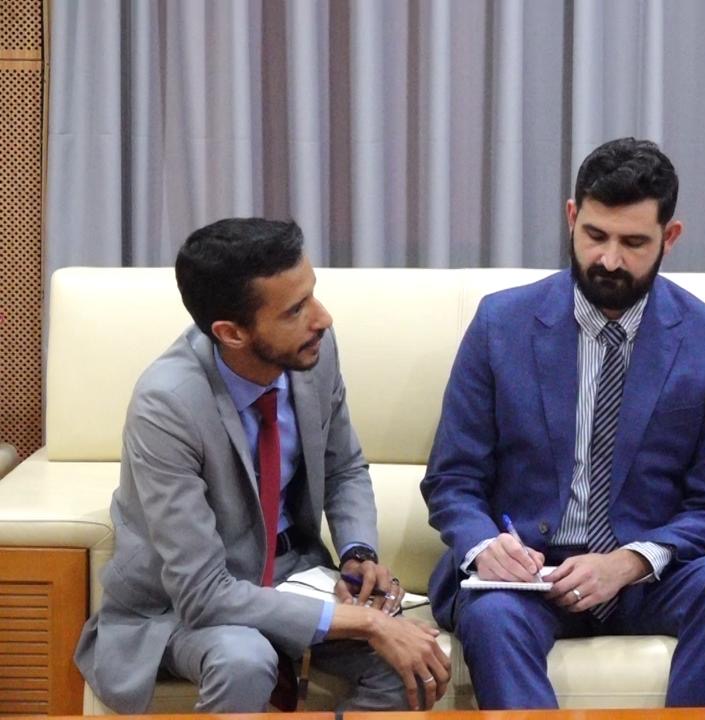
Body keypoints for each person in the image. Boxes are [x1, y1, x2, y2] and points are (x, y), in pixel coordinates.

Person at [422, 137, 705, 709]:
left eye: (633, 243)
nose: (609, 260)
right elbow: (452, 478)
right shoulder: (501, 324)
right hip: (529, 577)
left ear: (669, 237)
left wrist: (626, 563)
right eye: (595, 235)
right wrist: (485, 545)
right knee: (492, 616)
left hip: (645, 576)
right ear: (571, 217)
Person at [75, 218, 450, 712]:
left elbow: (344, 467)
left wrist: (357, 553)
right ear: (231, 333)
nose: (323, 318)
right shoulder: (166, 406)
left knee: (413, 663)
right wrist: (369, 622)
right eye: (295, 310)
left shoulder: (312, 352)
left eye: (312, 294)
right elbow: (204, 593)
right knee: (244, 659)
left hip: (294, 574)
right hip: (180, 608)